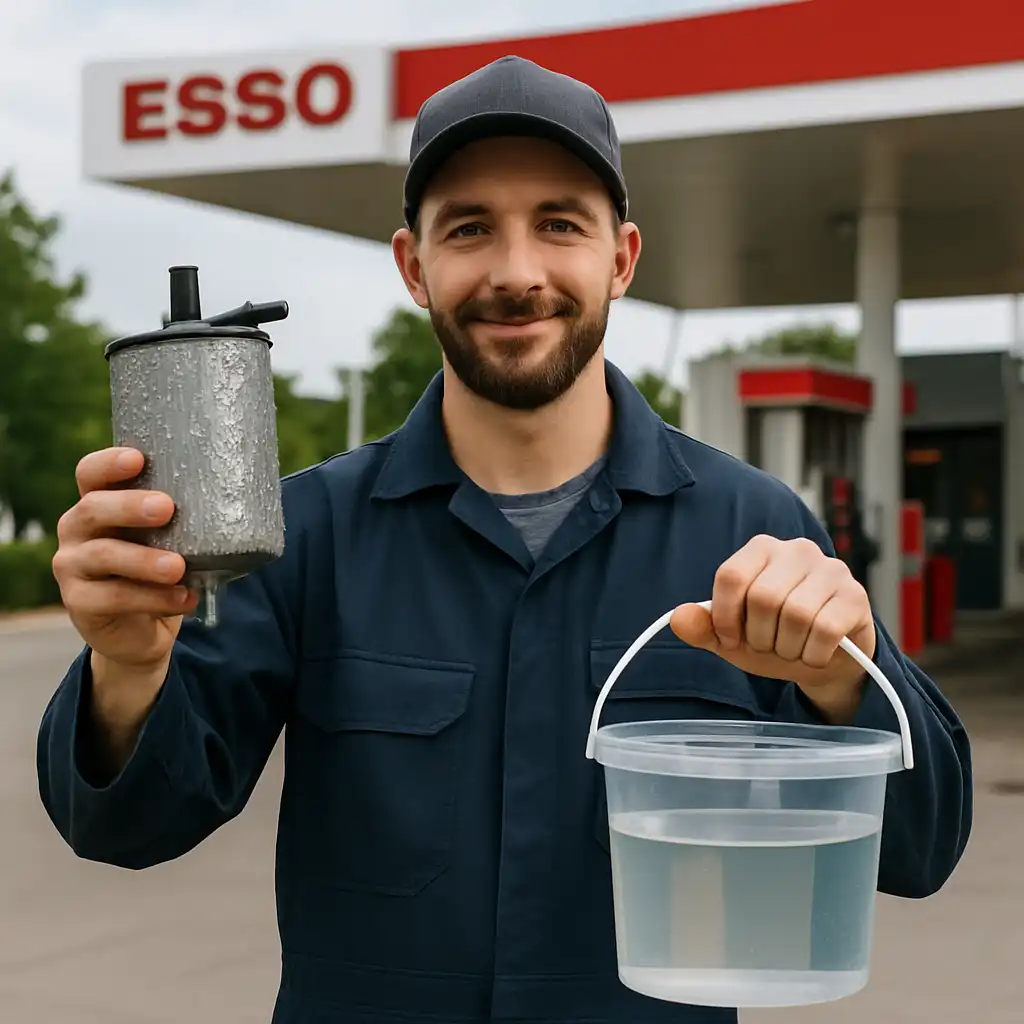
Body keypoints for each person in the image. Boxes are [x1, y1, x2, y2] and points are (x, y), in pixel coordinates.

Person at [38, 55, 972, 1024]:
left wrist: (839, 680)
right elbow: (130, 826)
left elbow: (921, 845)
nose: (516, 272)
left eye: (559, 223)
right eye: (470, 227)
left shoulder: (748, 525)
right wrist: (125, 667)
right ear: (414, 264)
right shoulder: (304, 532)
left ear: (621, 256)